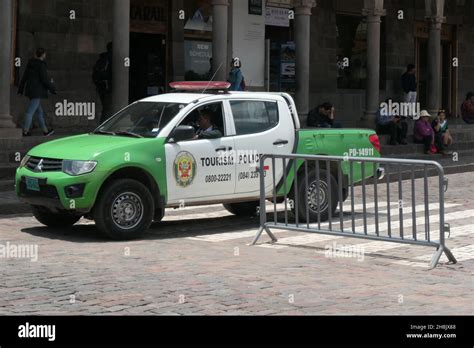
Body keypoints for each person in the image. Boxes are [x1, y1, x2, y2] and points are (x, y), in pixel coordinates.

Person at [17, 47, 55, 136]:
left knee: (39, 112)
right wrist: (52, 88)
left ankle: (45, 131)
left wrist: (21, 89)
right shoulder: (41, 65)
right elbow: (44, 79)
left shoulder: (30, 64)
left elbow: (24, 77)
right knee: (30, 112)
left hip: (30, 90)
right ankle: (25, 130)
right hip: (37, 91)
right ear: (43, 55)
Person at [93, 42, 113, 123]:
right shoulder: (110, 58)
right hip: (107, 87)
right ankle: (104, 126)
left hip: (101, 87)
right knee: (108, 108)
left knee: (105, 108)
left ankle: (103, 125)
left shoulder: (102, 58)